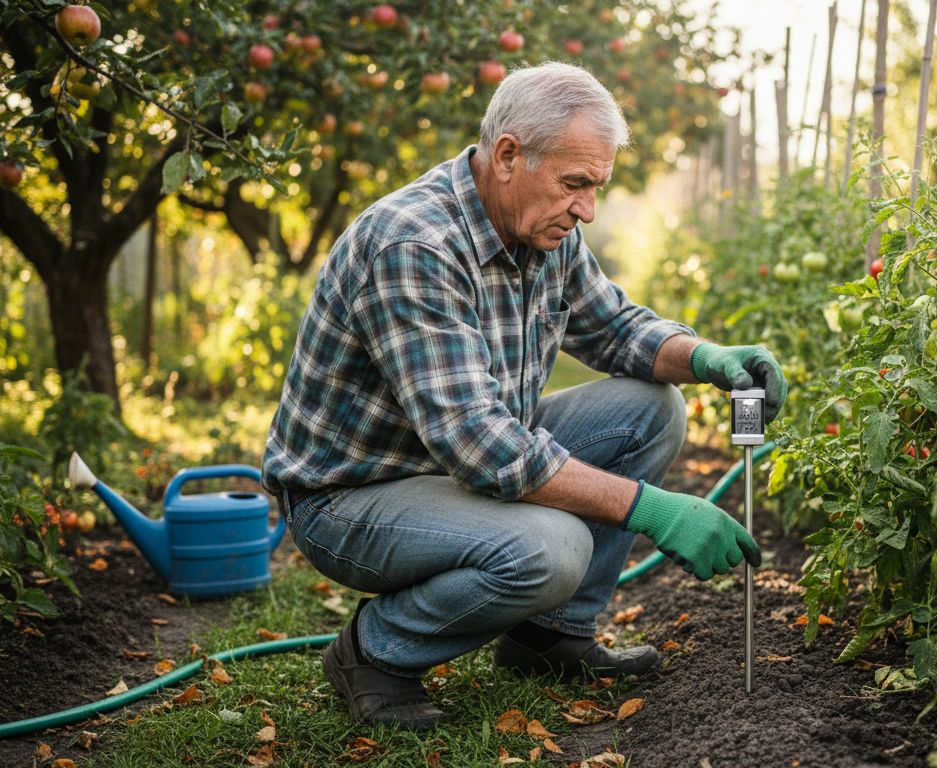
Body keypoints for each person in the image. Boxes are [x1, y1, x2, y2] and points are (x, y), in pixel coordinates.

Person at [262, 62, 787, 731]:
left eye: (596, 188)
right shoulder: (413, 242)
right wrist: (651, 509)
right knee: (550, 548)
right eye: (576, 185)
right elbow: (482, 447)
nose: (587, 209)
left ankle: (550, 637)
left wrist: (708, 357)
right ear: (509, 155)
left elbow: (617, 329)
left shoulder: (543, 228)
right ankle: (375, 653)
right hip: (351, 498)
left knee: (652, 410)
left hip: (449, 467)